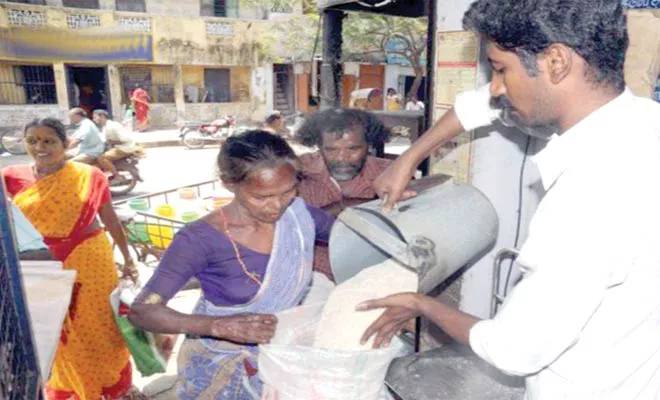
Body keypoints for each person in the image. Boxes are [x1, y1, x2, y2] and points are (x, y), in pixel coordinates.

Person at [359, 0, 660, 398]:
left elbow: (514, 348)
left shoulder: (591, 192)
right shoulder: (644, 124)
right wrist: (411, 157)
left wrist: (423, 304)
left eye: (500, 69)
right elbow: (486, 104)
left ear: (556, 62)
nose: (497, 87)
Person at [128, 130, 335, 399]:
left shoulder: (299, 216)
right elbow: (142, 311)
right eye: (261, 197)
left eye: (287, 191)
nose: (276, 206)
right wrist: (219, 326)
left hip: (279, 355)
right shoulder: (200, 240)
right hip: (221, 365)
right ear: (229, 184)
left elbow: (349, 236)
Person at [2, 118, 138, 399]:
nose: (40, 147)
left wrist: (128, 258)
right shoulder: (11, 176)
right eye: (32, 141)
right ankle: (73, 387)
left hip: (90, 261)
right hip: (42, 264)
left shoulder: (89, 175)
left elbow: (109, 218)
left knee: (100, 326)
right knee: (57, 328)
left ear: (65, 144)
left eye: (49, 140)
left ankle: (111, 384)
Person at [295, 108, 392, 281]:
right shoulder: (298, 172)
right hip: (312, 275)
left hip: (371, 274)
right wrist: (346, 206)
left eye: (353, 149)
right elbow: (287, 226)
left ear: (368, 145)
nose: (342, 158)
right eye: (331, 150)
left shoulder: (390, 174)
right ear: (319, 146)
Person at [93, 109, 144, 179]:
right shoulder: (105, 127)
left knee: (102, 158)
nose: (94, 119)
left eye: (95, 117)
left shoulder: (113, 126)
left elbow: (125, 139)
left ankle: (117, 176)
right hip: (118, 147)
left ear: (102, 116)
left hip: (124, 148)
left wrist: (112, 142)